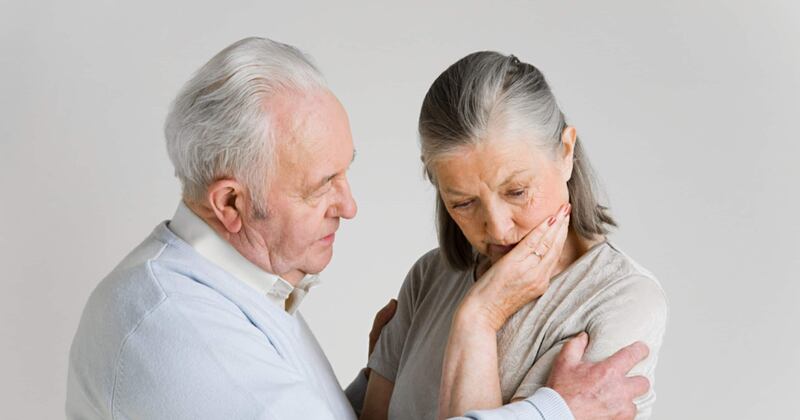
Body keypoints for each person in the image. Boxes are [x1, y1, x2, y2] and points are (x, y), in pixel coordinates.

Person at [66, 38, 651, 420]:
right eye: (322, 184)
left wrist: (377, 380)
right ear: (231, 204)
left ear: (566, 152)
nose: (349, 206)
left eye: (346, 172)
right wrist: (554, 410)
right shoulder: (184, 334)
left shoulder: (230, 295)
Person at [361, 52, 668, 420]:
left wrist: (479, 319)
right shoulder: (428, 278)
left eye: (517, 191)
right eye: (463, 203)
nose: (497, 228)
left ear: (565, 152)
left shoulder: (622, 298)